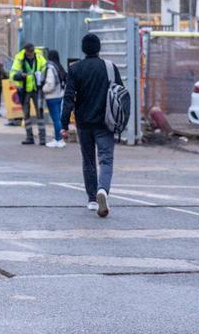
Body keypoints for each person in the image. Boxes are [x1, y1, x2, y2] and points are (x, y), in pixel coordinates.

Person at [60, 33, 120, 218]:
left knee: (88, 160)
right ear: (99, 48)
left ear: (83, 49)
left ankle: (93, 199)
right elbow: (120, 95)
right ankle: (103, 190)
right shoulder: (110, 68)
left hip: (84, 122)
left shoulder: (76, 69)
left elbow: (68, 97)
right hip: (106, 122)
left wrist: (64, 124)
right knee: (106, 159)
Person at [10, 43, 47, 145]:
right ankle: (29, 137)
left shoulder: (39, 57)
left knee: (40, 114)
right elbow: (12, 74)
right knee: (26, 115)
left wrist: (42, 76)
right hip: (24, 90)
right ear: (25, 51)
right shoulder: (19, 59)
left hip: (36, 90)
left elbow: (45, 68)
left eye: (32, 51)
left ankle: (42, 138)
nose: (31, 53)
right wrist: (21, 75)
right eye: (29, 52)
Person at [42, 50, 67, 149]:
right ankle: (58, 138)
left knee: (56, 119)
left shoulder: (50, 67)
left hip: (52, 96)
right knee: (58, 118)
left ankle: (59, 140)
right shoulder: (59, 66)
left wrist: (43, 89)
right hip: (59, 95)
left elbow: (50, 83)